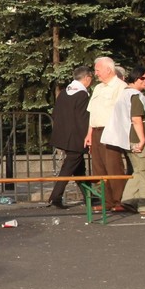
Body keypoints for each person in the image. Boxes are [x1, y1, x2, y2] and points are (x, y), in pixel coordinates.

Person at [101, 67, 145, 214]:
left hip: (131, 139)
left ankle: (129, 200)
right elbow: (136, 119)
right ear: (134, 78)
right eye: (142, 78)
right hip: (142, 140)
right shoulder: (135, 95)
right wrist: (142, 140)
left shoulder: (125, 94)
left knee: (138, 171)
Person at [84, 56, 128, 213]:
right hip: (96, 130)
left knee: (113, 166)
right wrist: (89, 133)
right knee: (99, 167)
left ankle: (119, 200)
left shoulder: (121, 87)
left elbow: (123, 112)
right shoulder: (98, 88)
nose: (96, 74)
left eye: (98, 70)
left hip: (111, 130)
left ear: (108, 69)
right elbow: (92, 112)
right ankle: (107, 201)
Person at [47, 66, 93, 208]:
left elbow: (56, 114)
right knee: (68, 168)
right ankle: (55, 197)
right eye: (91, 78)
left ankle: (89, 197)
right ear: (86, 78)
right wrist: (87, 136)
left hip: (63, 135)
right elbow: (83, 119)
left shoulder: (64, 93)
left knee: (79, 169)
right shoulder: (82, 95)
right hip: (77, 138)